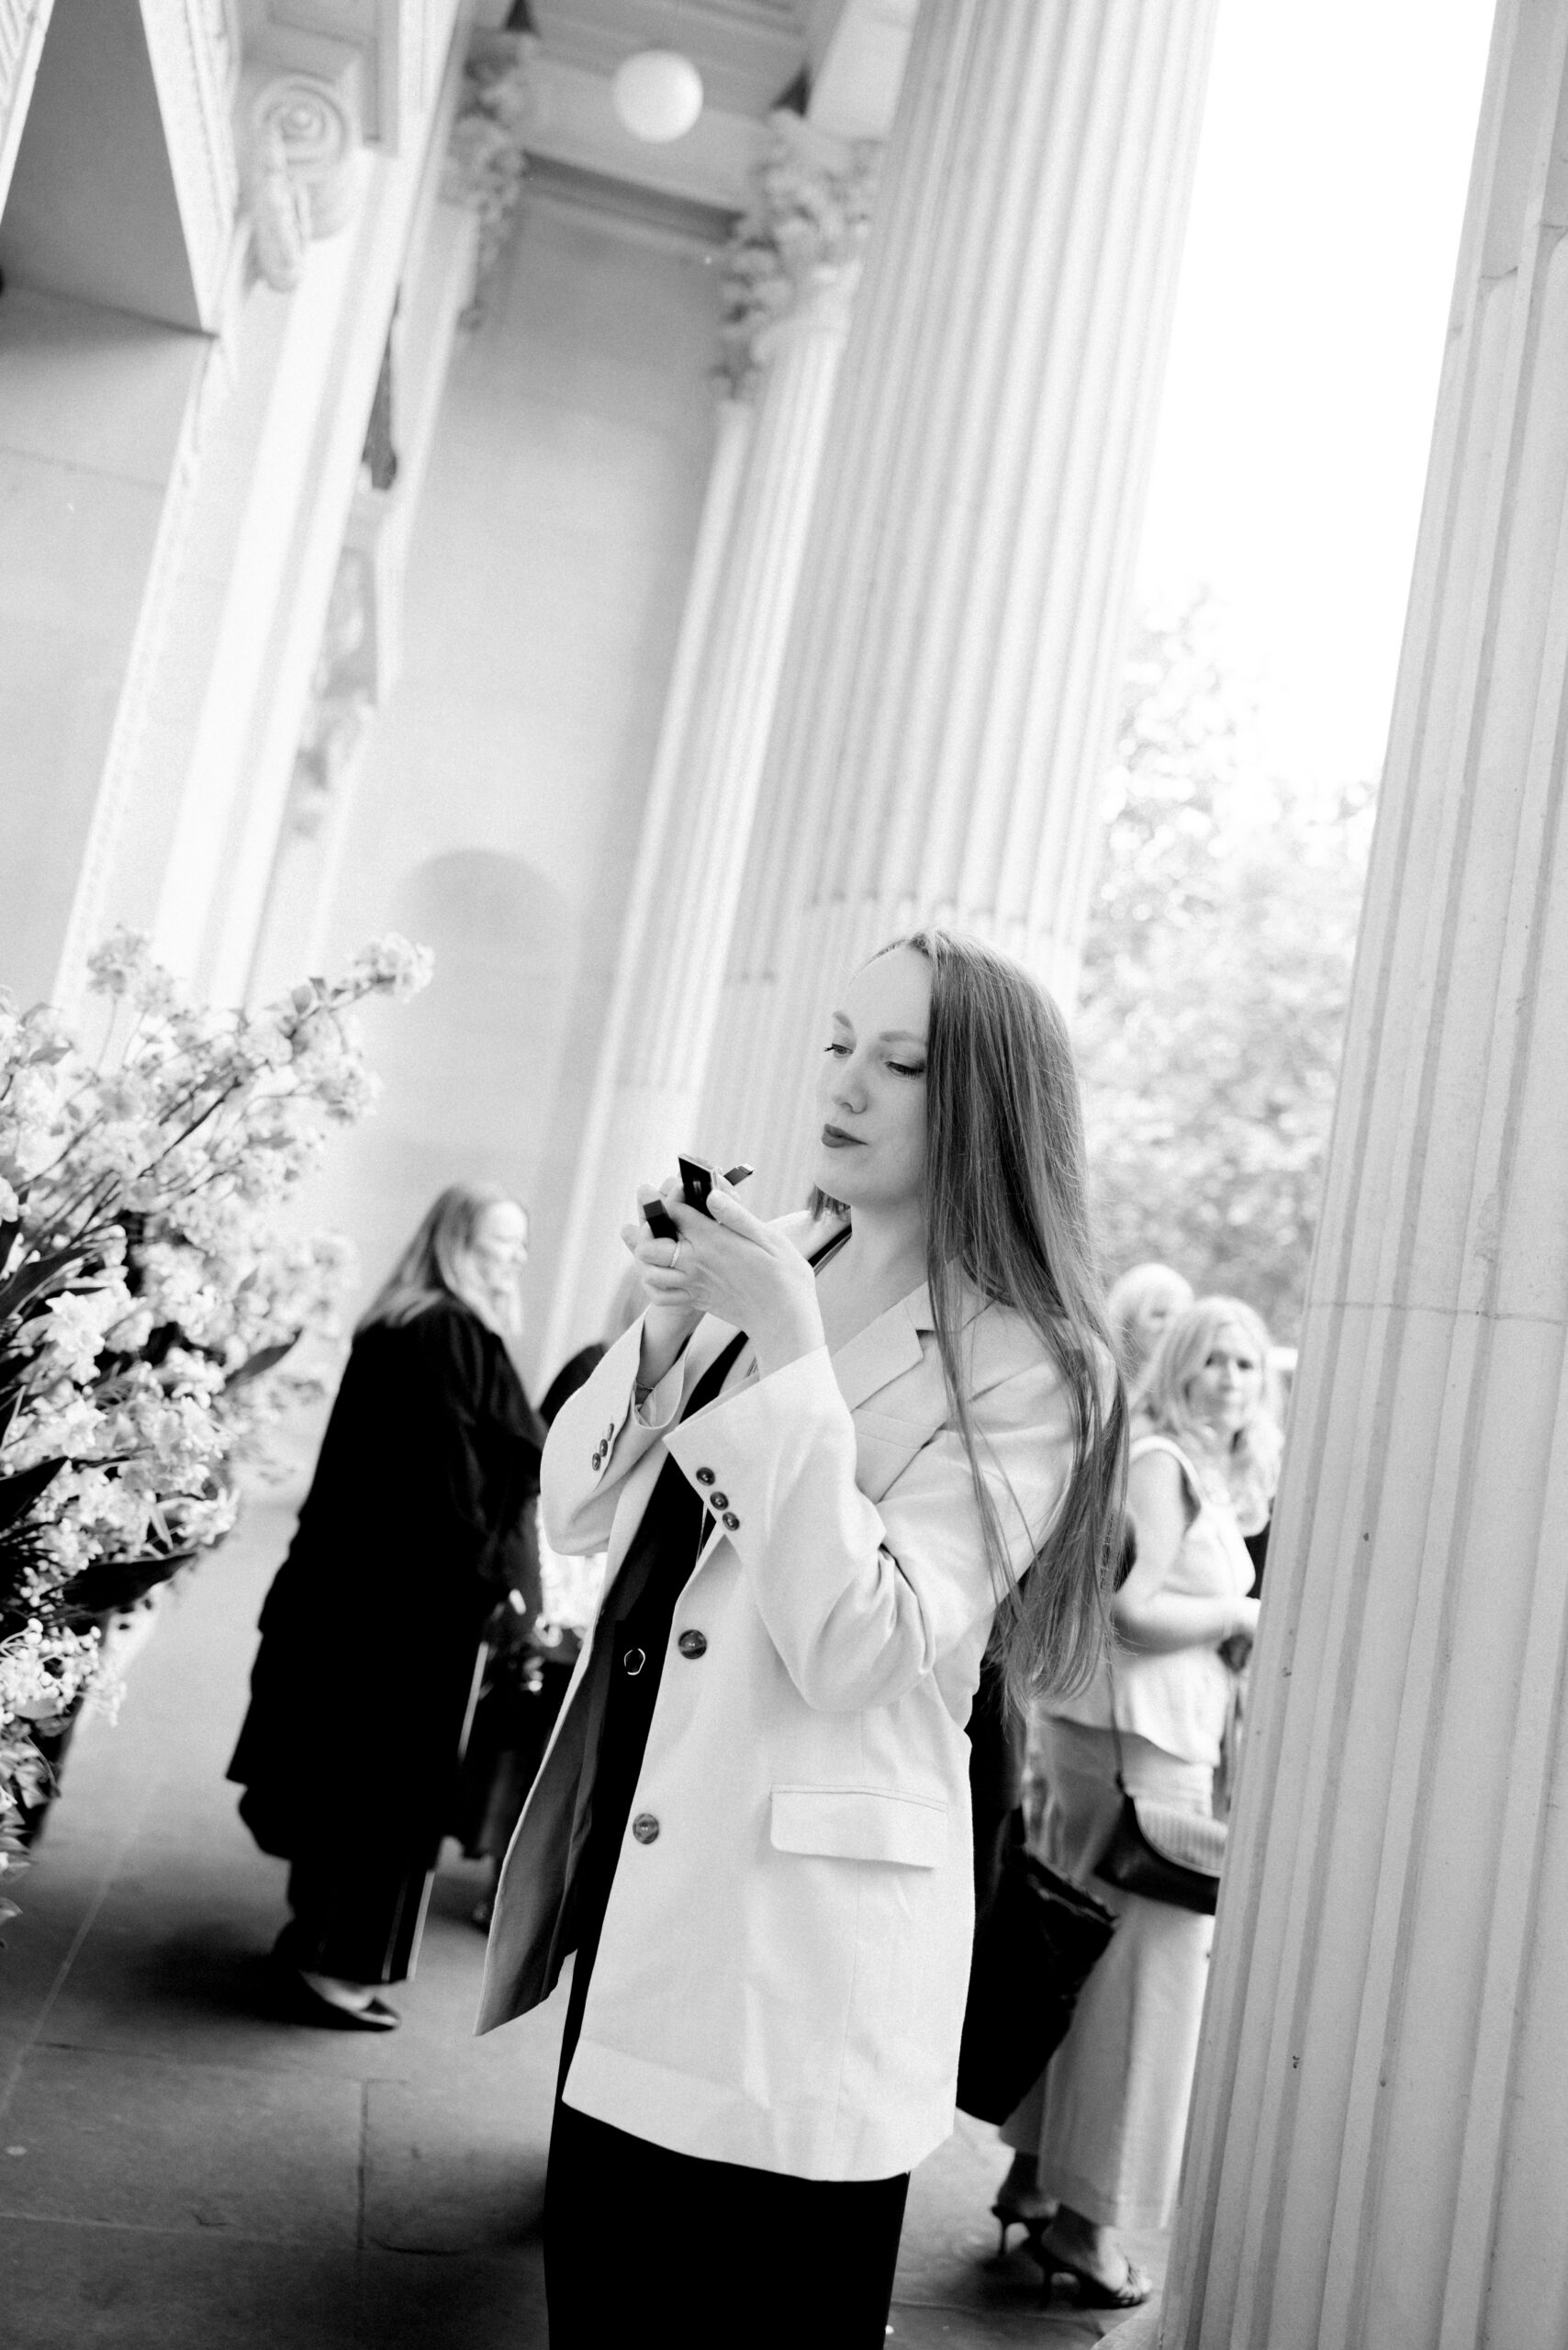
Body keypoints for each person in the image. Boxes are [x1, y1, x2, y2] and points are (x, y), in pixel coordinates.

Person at [477, 930, 1127, 2348]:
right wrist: (660, 1331)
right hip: (647, 1901)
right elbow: (577, 1510)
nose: (846, 1084)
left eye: (900, 1062)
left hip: (805, 1959)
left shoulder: (1029, 1363)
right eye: (839, 1043)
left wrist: (786, 1350)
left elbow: (862, 1640)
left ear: (989, 1109)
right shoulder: (785, 1261)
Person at [993, 1295, 1276, 2302]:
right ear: (1178, 1369)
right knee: (1143, 1995)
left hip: (1123, 1742)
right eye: (1213, 1361)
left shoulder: (1197, 1470)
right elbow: (1131, 1605)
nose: (1232, 1381)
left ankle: (1033, 2178)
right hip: (1138, 1752)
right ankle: (1087, 2226)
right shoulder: (1161, 1465)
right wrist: (1239, 1613)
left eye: (1248, 1364)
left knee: (1078, 1961)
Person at [228, 1183, 543, 2029]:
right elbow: (447, 1484)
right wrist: (492, 1586)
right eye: (497, 1244)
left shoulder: (420, 1325)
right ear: (451, 1243)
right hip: (402, 1621)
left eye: (520, 1245)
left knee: (351, 1787)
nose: (514, 1260)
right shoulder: (440, 1331)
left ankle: (322, 1950)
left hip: (371, 1611)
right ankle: (335, 1967)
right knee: (376, 1796)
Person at [1105, 1261, 1194, 1391]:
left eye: (1178, 1317)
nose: (1170, 1326)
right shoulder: (1104, 1376)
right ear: (1128, 1321)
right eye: (1159, 1315)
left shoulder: (1186, 1386)